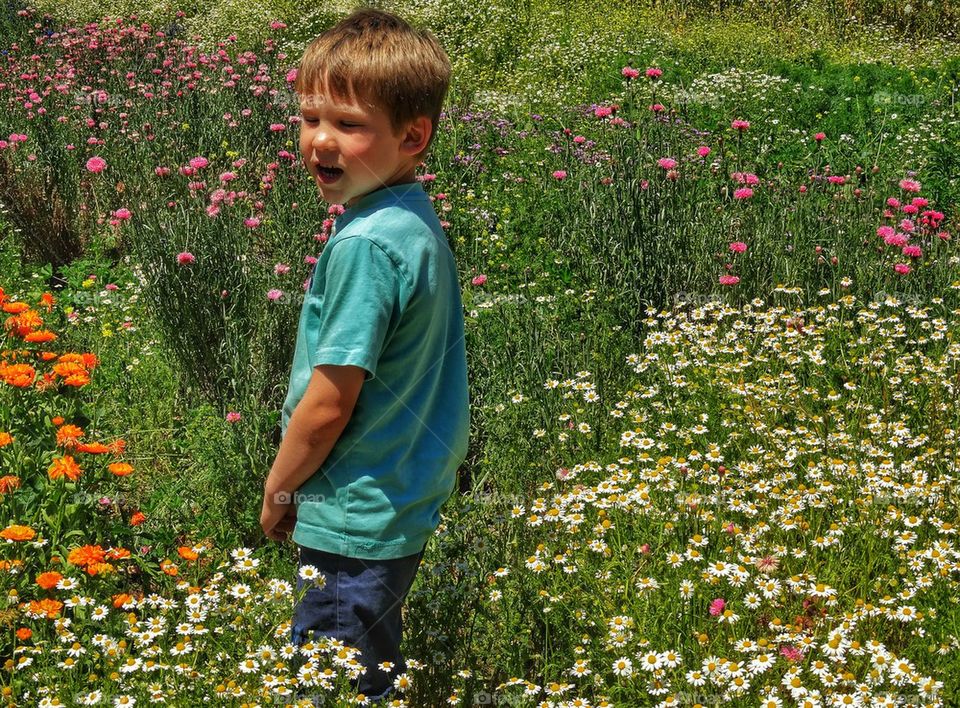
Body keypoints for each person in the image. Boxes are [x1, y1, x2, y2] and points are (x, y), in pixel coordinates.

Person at [258, 8, 469, 704]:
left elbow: (328, 403)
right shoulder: (410, 223)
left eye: (349, 125)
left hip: (353, 509)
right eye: (310, 116)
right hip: (397, 492)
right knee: (367, 659)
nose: (320, 140)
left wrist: (281, 488)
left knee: (338, 679)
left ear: (413, 136)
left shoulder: (364, 248)